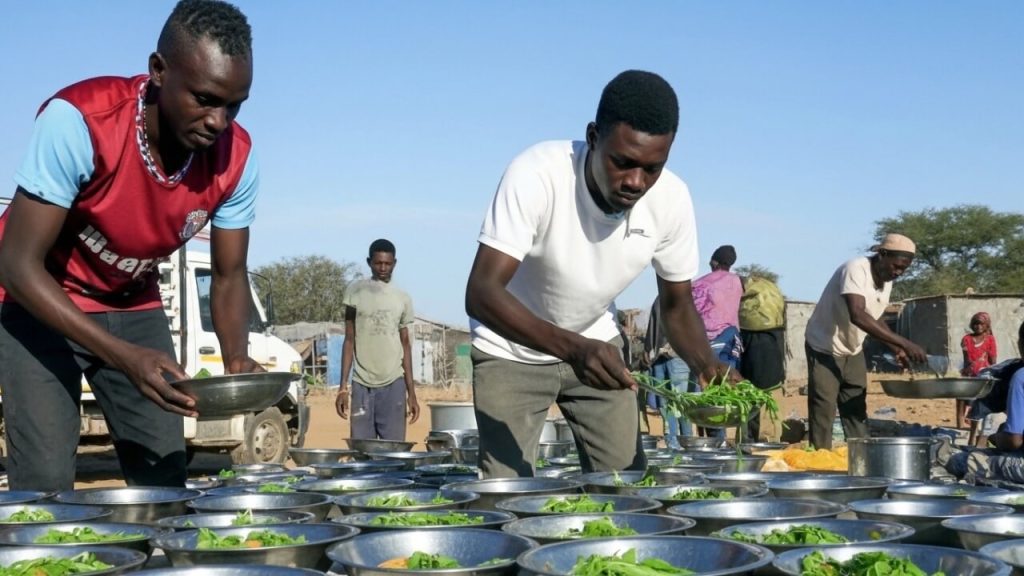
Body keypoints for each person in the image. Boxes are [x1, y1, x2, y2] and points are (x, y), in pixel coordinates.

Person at [0, 0, 259, 492]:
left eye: (234, 105)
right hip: (37, 302)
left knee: (164, 477)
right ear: (159, 71)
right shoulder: (80, 122)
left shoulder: (237, 159)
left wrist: (236, 357)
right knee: (46, 485)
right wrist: (123, 356)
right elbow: (15, 265)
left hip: (130, 301)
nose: (219, 122)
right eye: (204, 99)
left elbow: (229, 274)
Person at [465, 70, 732, 479]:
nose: (635, 182)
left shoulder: (672, 200)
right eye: (622, 162)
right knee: (508, 494)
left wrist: (707, 364)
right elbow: (482, 292)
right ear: (593, 137)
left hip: (597, 348)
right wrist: (572, 349)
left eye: (652, 168)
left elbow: (677, 307)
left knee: (626, 487)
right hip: (510, 349)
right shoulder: (538, 174)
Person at [804, 233, 928, 449]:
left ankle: (861, 456)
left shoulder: (886, 281)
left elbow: (875, 315)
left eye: (903, 270)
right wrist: (905, 343)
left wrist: (896, 347)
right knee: (824, 407)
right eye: (896, 266)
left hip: (852, 348)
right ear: (882, 254)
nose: (897, 272)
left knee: (855, 404)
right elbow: (858, 314)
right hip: (824, 345)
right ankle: (819, 460)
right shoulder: (856, 269)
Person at [335, 239, 419, 441]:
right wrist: (342, 388)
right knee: (362, 450)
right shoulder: (355, 292)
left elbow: (405, 345)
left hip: (393, 383)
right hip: (361, 383)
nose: (383, 268)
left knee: (392, 451)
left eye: (388, 264)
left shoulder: (402, 298)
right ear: (369, 262)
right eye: (378, 263)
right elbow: (349, 339)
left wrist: (412, 393)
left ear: (394, 263)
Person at [945, 320, 1024, 485]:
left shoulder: (1020, 376)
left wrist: (996, 437)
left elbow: (1014, 440)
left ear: (1020, 344)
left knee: (958, 460)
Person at [691, 245, 744, 438]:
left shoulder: (700, 284)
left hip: (708, 341)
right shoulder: (739, 282)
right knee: (724, 390)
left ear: (714, 261)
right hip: (732, 340)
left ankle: (714, 441)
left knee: (707, 391)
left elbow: (691, 313)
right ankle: (721, 440)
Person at [738, 274, 786, 441]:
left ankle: (749, 441)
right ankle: (771, 442)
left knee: (750, 409)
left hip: (751, 375)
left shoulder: (745, 331)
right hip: (773, 375)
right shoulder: (777, 329)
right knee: (772, 412)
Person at [643, 295, 694, 449]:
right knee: (665, 405)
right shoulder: (660, 299)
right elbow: (653, 327)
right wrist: (649, 350)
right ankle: (673, 443)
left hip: (678, 356)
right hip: (659, 358)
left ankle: (686, 444)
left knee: (680, 404)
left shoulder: (684, 297)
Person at [962, 311, 997, 438]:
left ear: (986, 325)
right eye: (975, 323)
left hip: (985, 377)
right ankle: (972, 435)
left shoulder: (990, 339)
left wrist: (992, 374)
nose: (978, 326)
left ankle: (983, 435)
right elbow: (966, 360)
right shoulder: (966, 339)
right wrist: (967, 374)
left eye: (981, 324)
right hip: (971, 377)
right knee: (972, 404)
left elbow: (993, 360)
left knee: (985, 404)